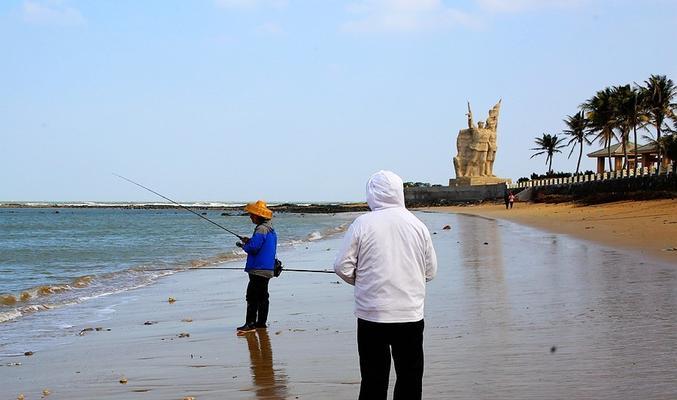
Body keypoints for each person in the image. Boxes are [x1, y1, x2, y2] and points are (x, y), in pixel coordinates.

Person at [333, 170, 437, 400]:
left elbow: (342, 266)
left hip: (372, 314)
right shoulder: (417, 225)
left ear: (371, 194)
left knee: (373, 379)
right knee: (410, 379)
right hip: (410, 314)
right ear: (399, 192)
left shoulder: (362, 223)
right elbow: (430, 271)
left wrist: (361, 281)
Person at [236, 200, 277, 334]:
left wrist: (244, 246)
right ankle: (261, 323)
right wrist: (250, 241)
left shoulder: (261, 229)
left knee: (252, 296)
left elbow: (253, 248)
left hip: (258, 269)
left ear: (258, 216)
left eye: (252, 215)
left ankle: (250, 324)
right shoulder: (271, 230)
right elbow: (262, 246)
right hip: (267, 268)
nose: (250, 217)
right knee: (263, 296)